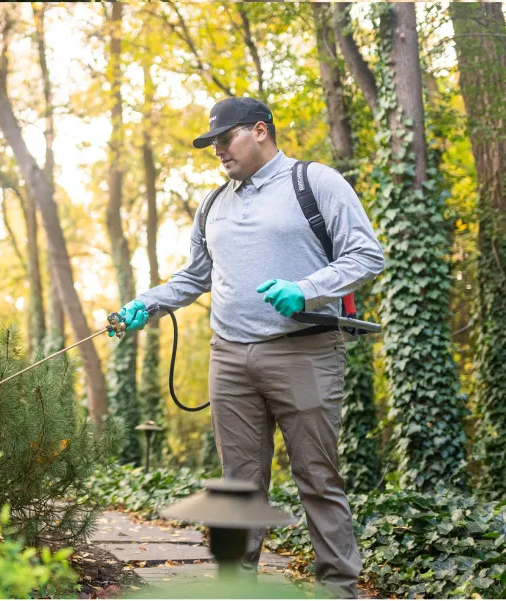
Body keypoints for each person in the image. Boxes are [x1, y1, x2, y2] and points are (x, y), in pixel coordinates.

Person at [115, 97, 384, 598]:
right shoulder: (214, 203)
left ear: (260, 130)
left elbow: (367, 253)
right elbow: (194, 278)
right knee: (237, 487)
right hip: (230, 357)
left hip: (304, 351)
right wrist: (145, 304)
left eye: (225, 138)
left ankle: (339, 589)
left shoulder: (314, 181)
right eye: (212, 142)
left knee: (317, 478)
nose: (217, 149)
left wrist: (308, 287)